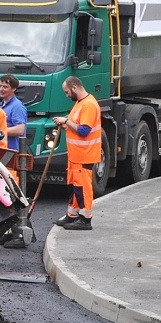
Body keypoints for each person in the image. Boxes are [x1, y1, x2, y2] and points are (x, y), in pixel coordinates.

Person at [55, 76, 103, 231]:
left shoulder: (88, 105)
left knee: (82, 187)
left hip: (84, 154)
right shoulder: (79, 103)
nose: (66, 95)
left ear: (74, 87)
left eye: (67, 92)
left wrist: (66, 121)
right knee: (74, 186)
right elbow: (77, 126)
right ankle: (73, 214)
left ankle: (85, 219)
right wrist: (66, 125)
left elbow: (84, 130)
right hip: (76, 155)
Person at [0, 74, 29, 154]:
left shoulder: (18, 107)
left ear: (14, 89)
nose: (1, 89)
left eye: (5, 87)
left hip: (11, 152)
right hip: (2, 149)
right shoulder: (1, 105)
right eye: (0, 86)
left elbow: (20, 130)